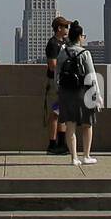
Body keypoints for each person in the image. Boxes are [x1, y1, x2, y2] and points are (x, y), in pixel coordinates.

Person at [56, 21, 101, 166]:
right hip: (84, 92)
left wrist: (59, 91)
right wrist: (97, 95)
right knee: (88, 124)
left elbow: (57, 74)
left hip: (66, 92)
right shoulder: (85, 53)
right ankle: (86, 155)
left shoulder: (63, 52)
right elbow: (91, 76)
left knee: (70, 125)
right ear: (80, 37)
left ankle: (74, 157)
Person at [44, 16, 71, 154]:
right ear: (59, 28)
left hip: (63, 83)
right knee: (55, 113)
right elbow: (52, 65)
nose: (67, 29)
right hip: (55, 84)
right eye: (65, 26)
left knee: (62, 113)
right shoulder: (53, 44)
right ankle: (52, 144)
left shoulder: (66, 42)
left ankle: (62, 143)